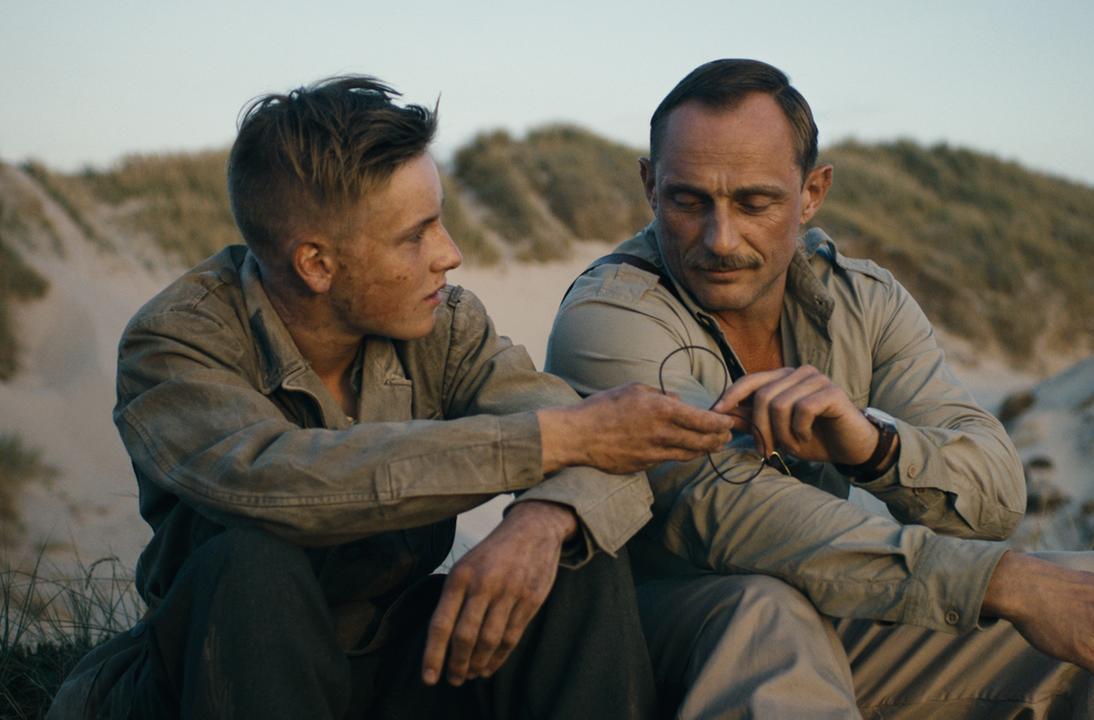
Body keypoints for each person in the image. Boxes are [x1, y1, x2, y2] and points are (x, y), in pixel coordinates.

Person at [546, 59, 1094, 719]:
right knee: (764, 614)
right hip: (636, 637)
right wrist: (1001, 581)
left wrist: (874, 448)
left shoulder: (863, 300)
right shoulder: (609, 314)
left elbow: (996, 495)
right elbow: (719, 508)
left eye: (755, 202)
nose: (721, 238)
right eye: (689, 200)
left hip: (818, 607)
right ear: (649, 185)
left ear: (812, 194)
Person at [49, 75, 734, 720]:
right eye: (416, 235)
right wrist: (554, 439)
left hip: (397, 661)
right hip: (212, 672)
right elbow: (276, 481)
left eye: (439, 222)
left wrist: (542, 523)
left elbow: (604, 450)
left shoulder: (446, 323)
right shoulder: (176, 341)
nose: (450, 253)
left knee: (573, 552)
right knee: (250, 561)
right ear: (316, 264)